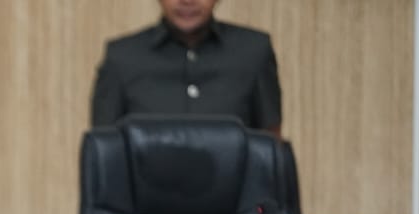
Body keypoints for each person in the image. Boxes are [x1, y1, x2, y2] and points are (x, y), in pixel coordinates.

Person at [91, 0, 282, 134]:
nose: (187, 1)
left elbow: (271, 151)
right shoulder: (122, 58)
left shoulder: (254, 52)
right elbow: (103, 155)